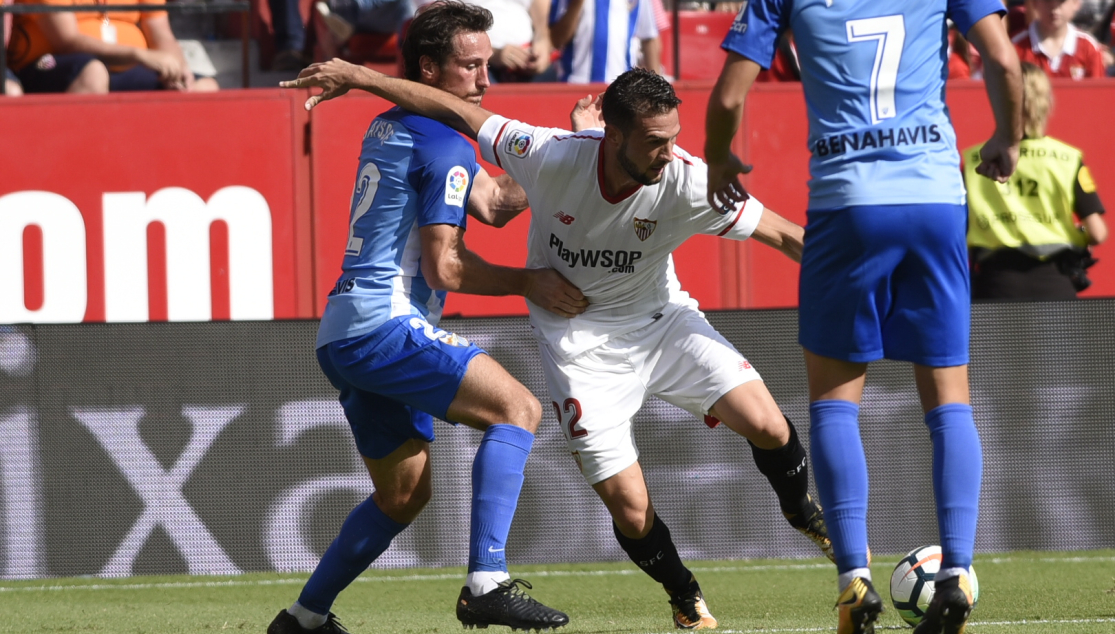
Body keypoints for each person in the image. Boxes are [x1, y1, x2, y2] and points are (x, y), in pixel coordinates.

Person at [284, 61, 837, 631]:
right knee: (630, 507)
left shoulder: (688, 179)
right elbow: (458, 114)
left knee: (768, 425)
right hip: (581, 349)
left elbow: (786, 234)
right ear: (613, 136)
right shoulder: (550, 153)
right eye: (653, 142)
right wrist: (360, 76)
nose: (668, 153)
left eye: (673, 138)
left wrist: (861, 277)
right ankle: (684, 594)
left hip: (663, 324)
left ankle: (801, 510)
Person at [704, 2, 1023, 634]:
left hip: (847, 204)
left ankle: (854, 580)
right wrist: (1008, 138)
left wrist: (719, 156)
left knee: (833, 404)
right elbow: (1007, 61)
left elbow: (729, 97)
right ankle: (957, 570)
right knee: (949, 401)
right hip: (934, 199)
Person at [268, 3, 584, 633]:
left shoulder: (393, 126)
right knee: (517, 410)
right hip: (385, 323)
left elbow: (492, 202)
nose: (485, 82)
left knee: (404, 495)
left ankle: (303, 618)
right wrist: (531, 283)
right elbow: (447, 268)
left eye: (487, 64)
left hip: (344, 330)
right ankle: (487, 583)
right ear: (429, 69)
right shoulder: (444, 142)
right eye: (470, 67)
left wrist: (572, 153)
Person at [966, 62, 1108, 299]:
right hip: (1055, 286)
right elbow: (1097, 233)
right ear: (1045, 102)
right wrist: (1074, 231)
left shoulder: (973, 159)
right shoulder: (1068, 158)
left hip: (995, 287)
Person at [6, 0, 219, 93]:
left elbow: (161, 33)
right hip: (46, 64)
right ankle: (80, 161)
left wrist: (178, 68)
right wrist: (138, 55)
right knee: (93, 72)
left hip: (122, 67)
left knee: (204, 88)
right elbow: (68, 42)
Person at [548, 0, 660, 83]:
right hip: (576, 84)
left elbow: (649, 39)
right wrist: (576, 4)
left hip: (622, 89)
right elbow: (556, 40)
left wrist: (656, 90)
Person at [1013, 0, 1107, 79]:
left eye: (1061, 1)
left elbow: (1098, 95)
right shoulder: (1015, 46)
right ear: (1034, 3)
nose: (1054, 8)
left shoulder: (1089, 48)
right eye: (1047, 0)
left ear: (1076, 3)